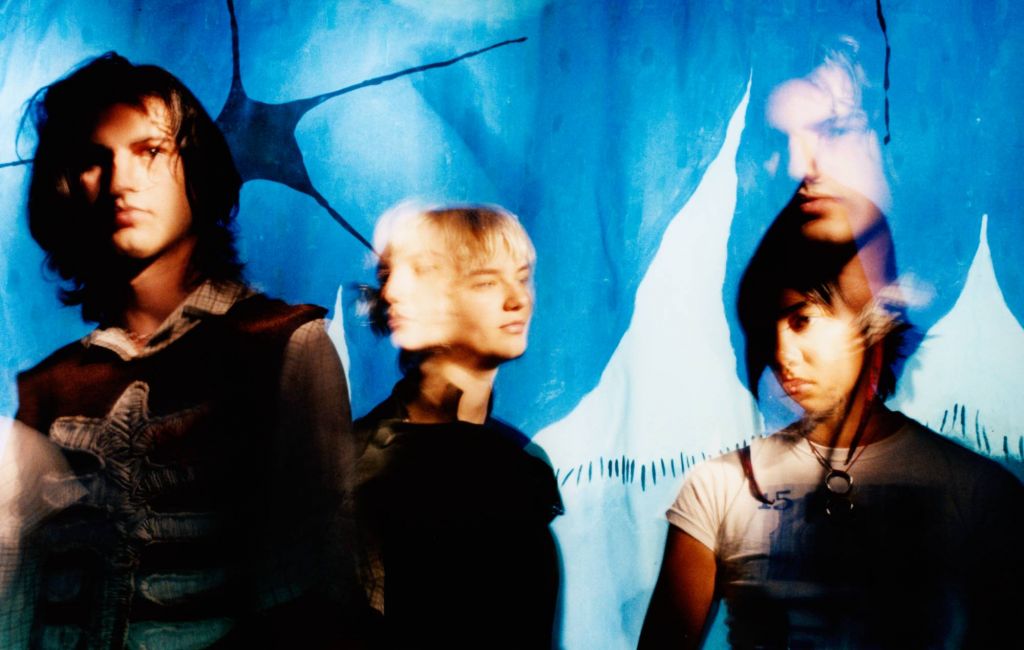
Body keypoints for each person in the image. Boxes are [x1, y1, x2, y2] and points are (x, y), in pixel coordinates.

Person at [8, 53, 367, 648]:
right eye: (94, 161)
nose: (122, 183)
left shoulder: (285, 346)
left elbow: (319, 587)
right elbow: (15, 606)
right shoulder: (46, 391)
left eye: (149, 150)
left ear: (194, 165)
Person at [640, 222, 1024, 648]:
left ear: (869, 321)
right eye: (769, 329)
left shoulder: (978, 492)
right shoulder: (718, 486)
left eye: (802, 320)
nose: (782, 354)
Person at [353, 203, 563, 648]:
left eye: (522, 278)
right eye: (487, 282)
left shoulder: (523, 464)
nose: (518, 299)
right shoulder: (360, 467)